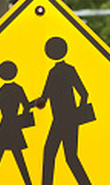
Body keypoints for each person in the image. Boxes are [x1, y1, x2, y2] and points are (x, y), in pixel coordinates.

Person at [33, 36, 94, 185]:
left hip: (63, 120)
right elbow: (83, 94)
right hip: (65, 120)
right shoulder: (62, 71)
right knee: (68, 157)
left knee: (54, 154)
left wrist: (77, 115)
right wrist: (77, 114)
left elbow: (44, 98)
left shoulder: (58, 72)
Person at [0, 60, 33, 185]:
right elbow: (26, 106)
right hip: (14, 126)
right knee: (18, 159)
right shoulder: (18, 89)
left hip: (4, 126)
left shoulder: (2, 90)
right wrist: (31, 108)